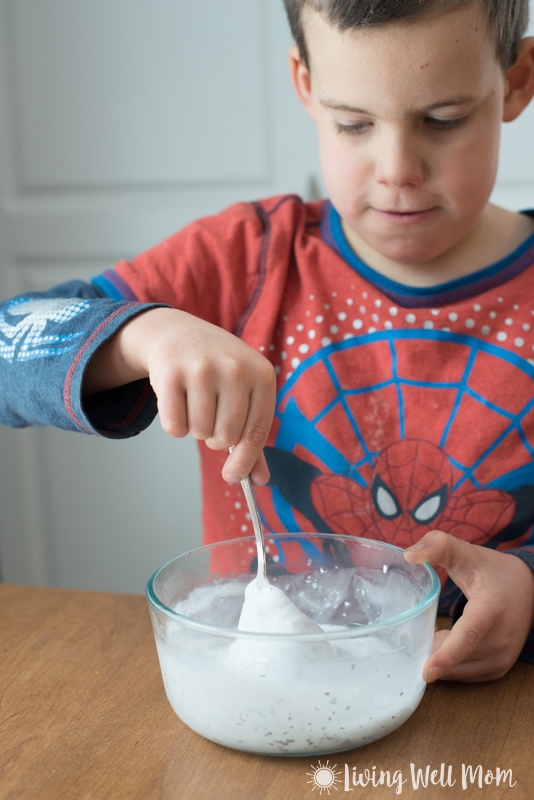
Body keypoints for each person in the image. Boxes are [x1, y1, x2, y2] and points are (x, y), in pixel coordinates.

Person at [1, 0, 534, 683]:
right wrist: (137, 332)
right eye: (353, 123)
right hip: (267, 705)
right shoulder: (248, 260)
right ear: (305, 84)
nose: (397, 168)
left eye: (443, 120)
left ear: (516, 81)